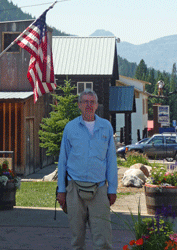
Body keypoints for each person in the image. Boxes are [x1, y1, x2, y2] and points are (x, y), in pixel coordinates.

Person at [57, 89, 118, 250]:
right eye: (85, 102)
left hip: (99, 189)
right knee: (77, 239)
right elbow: (62, 161)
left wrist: (112, 189)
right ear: (79, 105)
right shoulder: (70, 128)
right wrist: (61, 190)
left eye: (92, 102)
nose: (89, 105)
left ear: (97, 105)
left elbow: (111, 160)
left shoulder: (106, 127)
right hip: (74, 189)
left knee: (103, 239)